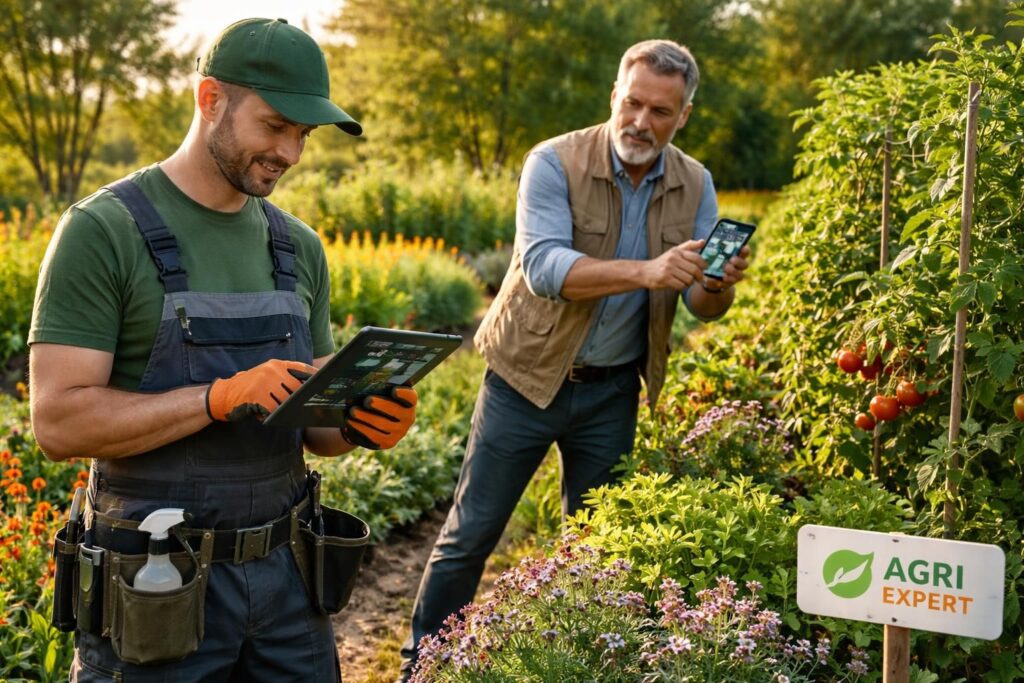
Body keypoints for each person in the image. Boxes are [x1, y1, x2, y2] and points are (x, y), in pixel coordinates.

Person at [29, 18, 418, 681]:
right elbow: (59, 422)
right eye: (275, 125)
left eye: (304, 134)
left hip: (289, 588)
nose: (291, 152)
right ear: (210, 98)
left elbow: (316, 427)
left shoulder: (298, 246)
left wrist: (357, 420)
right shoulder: (104, 232)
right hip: (155, 589)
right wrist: (216, 397)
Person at [398, 39, 750, 679]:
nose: (642, 123)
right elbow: (545, 268)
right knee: (471, 535)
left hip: (612, 388)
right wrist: (649, 270)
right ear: (614, 96)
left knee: (595, 547)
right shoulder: (553, 162)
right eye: (634, 103)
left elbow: (701, 304)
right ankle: (422, 666)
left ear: (684, 116)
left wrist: (717, 281)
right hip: (524, 378)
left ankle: (577, 664)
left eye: (661, 112)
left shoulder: (695, 182)